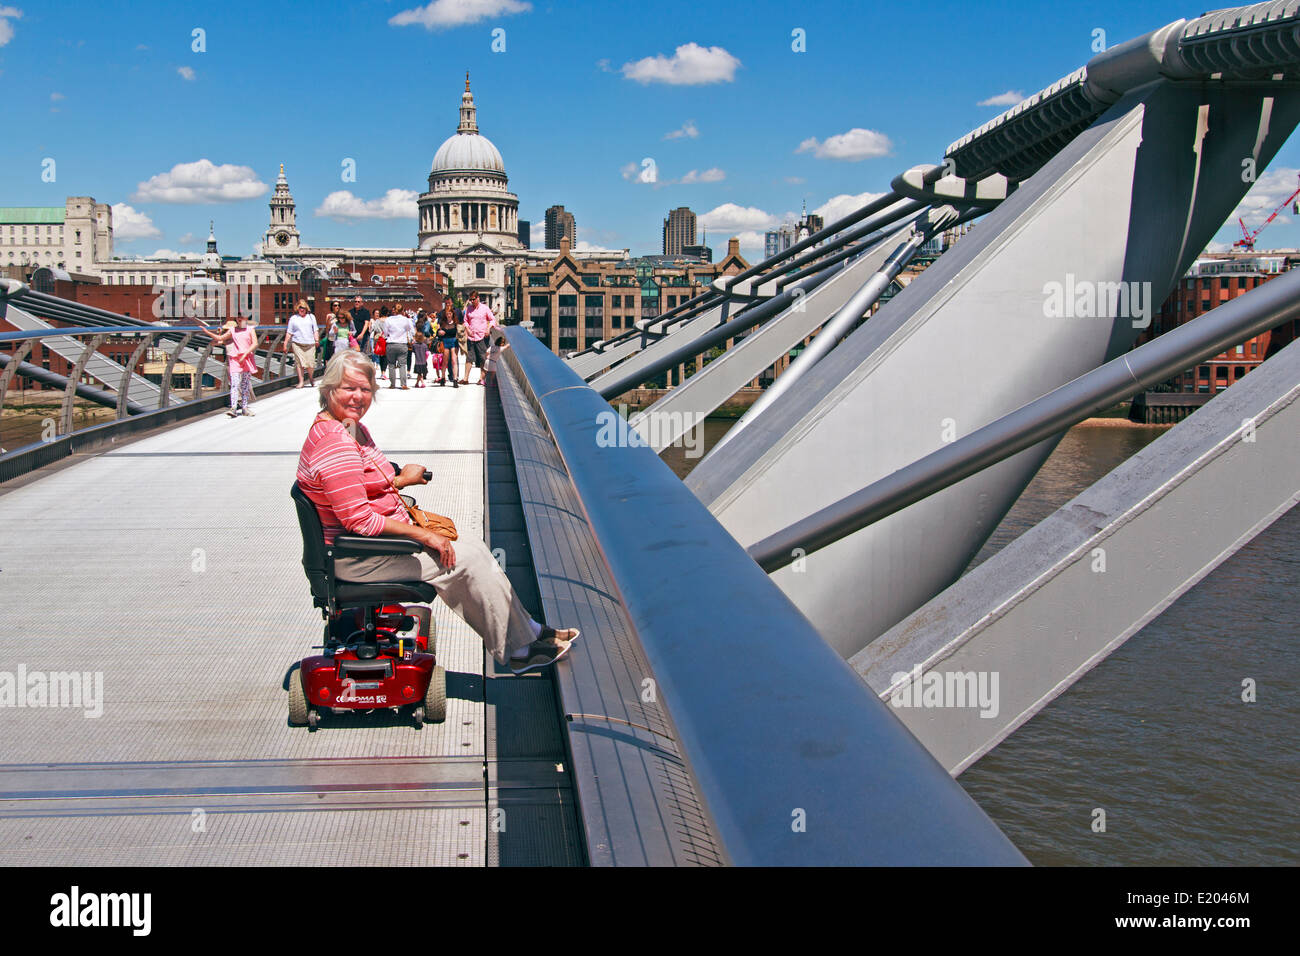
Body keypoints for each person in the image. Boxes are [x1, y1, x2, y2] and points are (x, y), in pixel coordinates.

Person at [297, 350, 579, 674]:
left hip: (366, 548)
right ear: (329, 388)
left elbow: (357, 486)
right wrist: (424, 535)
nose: (358, 396)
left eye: (365, 389)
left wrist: (400, 479)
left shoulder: (345, 428)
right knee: (466, 561)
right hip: (360, 557)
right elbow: (358, 519)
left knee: (471, 546)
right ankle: (519, 650)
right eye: (349, 388)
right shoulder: (336, 444)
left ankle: (527, 632)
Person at [200, 312, 258, 417]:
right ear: (237, 318)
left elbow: (255, 343)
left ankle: (244, 408)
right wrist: (207, 332)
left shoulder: (250, 330)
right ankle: (234, 408)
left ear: (246, 318)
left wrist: (245, 354)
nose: (240, 319)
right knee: (235, 384)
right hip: (235, 359)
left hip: (246, 359)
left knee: (244, 385)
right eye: (239, 317)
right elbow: (219, 339)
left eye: (242, 317)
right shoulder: (232, 330)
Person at [462, 290, 497, 386]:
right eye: (470, 300)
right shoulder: (469, 308)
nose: (471, 301)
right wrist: (467, 328)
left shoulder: (485, 308)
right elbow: (465, 321)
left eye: (473, 299)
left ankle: (481, 379)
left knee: (483, 358)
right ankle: (465, 378)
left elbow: (493, 320)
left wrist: (488, 328)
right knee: (469, 358)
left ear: (478, 298)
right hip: (471, 337)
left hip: (482, 337)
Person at [284, 300, 320, 388]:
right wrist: (285, 343)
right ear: (297, 308)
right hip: (297, 343)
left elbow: (315, 329)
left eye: (303, 307)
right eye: (300, 307)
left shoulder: (311, 317)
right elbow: (289, 332)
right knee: (299, 363)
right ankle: (301, 381)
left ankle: (311, 377)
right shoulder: (293, 318)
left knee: (310, 363)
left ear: (306, 308)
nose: (302, 309)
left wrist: (317, 340)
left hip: (310, 343)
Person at [380, 305, 414, 389]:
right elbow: (411, 330)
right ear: (402, 311)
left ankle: (392, 384)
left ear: (394, 310)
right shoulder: (406, 320)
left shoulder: (388, 319)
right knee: (402, 365)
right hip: (402, 344)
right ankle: (403, 384)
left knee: (391, 365)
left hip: (391, 343)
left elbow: (385, 332)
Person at [437, 299, 461, 388]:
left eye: (450, 313)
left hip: (454, 342)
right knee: (445, 361)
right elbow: (438, 332)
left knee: (454, 361)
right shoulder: (442, 322)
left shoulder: (455, 322)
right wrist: (439, 332)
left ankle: (455, 379)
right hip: (445, 342)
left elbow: (457, 331)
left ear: (452, 313)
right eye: (447, 314)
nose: (448, 315)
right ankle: (443, 378)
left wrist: (445, 331)